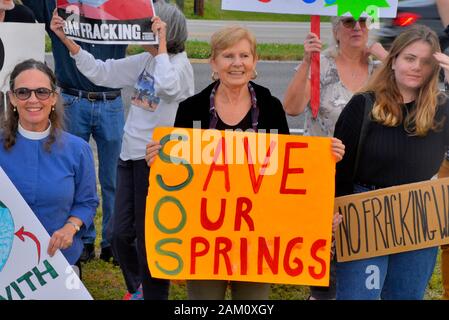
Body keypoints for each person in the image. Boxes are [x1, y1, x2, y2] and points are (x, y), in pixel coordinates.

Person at [146, 25, 345, 300]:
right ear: (213, 62)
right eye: (228, 56)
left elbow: (288, 173)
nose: (237, 63)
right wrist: (160, 158)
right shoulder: (191, 109)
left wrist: (324, 157)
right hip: (205, 237)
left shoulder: (271, 108)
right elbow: (179, 176)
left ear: (255, 61)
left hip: (258, 238)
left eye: (244, 56)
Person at [51, 1, 193, 300]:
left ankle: (152, 293)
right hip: (129, 157)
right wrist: (67, 42)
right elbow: (104, 73)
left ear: (164, 30)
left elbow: (169, 88)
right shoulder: (145, 60)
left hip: (156, 162)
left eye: (147, 23)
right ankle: (139, 287)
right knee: (118, 234)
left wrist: (162, 47)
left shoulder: (178, 66)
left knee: (148, 237)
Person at [334, 24, 449, 300]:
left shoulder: (441, 109)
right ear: (393, 59)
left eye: (425, 62)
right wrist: (334, 210)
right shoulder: (363, 105)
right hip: (364, 210)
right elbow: (339, 168)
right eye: (410, 58)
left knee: (406, 295)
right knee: (358, 296)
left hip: (419, 211)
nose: (416, 67)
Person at [283, 16, 387, 300]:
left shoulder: (380, 70)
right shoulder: (321, 64)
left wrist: (385, 57)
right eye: (349, 22)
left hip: (367, 177)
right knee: (324, 255)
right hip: (323, 175)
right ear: (335, 30)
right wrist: (307, 62)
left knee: (360, 250)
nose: (357, 28)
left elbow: (410, 101)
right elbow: (291, 107)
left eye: (364, 22)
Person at [22, 0, 127, 263]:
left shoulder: (123, 4)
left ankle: (113, 243)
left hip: (111, 101)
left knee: (113, 177)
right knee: (72, 177)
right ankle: (83, 240)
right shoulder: (55, 4)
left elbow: (147, 14)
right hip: (70, 99)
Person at [0, 59, 98, 277]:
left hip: (59, 261)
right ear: (12, 99)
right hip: (5, 262)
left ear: (54, 97)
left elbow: (87, 202)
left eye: (42, 92)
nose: (33, 99)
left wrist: (70, 227)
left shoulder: (78, 149)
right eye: (23, 92)